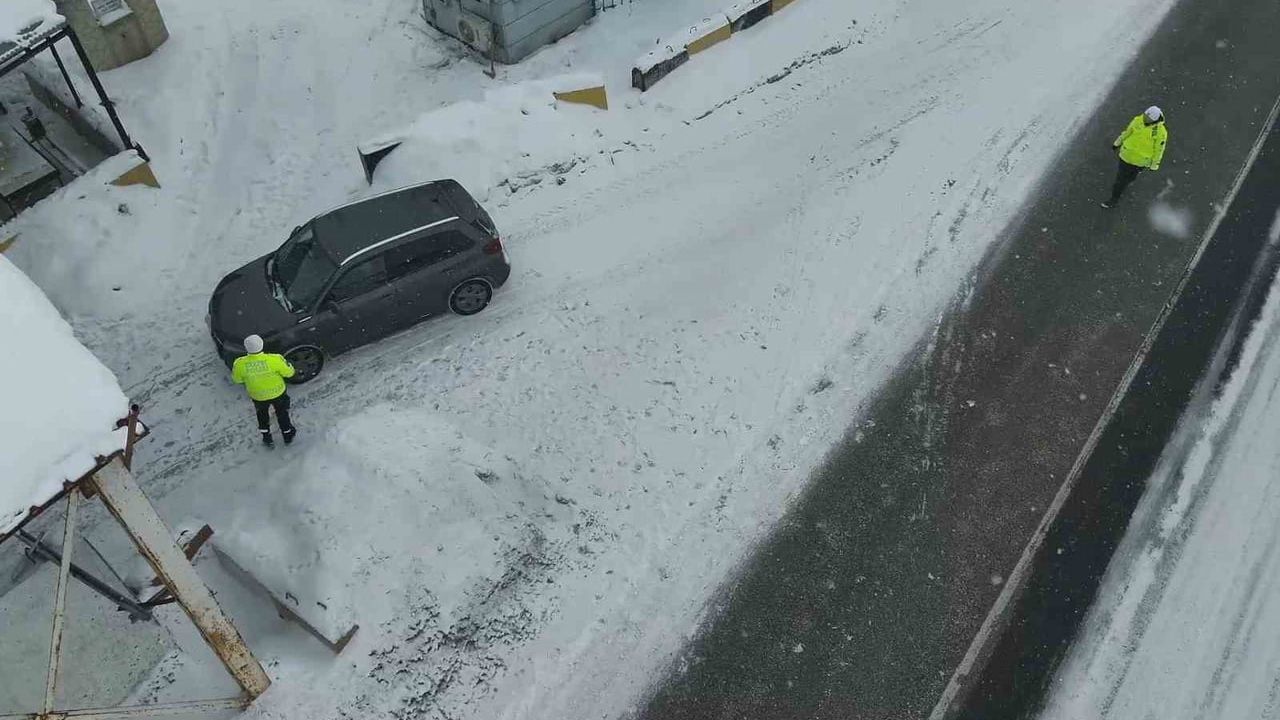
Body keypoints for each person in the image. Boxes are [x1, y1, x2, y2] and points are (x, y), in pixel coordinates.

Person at [231, 334, 297, 447]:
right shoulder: (275, 359)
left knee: (262, 415)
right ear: (262, 344)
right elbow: (289, 373)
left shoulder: (239, 364)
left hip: (258, 396)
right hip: (278, 393)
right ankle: (287, 435)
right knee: (282, 414)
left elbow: (237, 379)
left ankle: (267, 438)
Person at [1101, 105, 1168, 208]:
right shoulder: (1138, 120)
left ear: (1154, 120)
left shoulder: (1160, 132)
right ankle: (1114, 199)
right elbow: (1127, 132)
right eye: (1145, 116)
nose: (1145, 119)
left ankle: (1126, 183)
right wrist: (1117, 143)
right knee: (1120, 180)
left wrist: (1155, 164)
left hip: (1141, 161)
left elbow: (1159, 149)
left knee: (1131, 177)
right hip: (1126, 156)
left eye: (1148, 119)